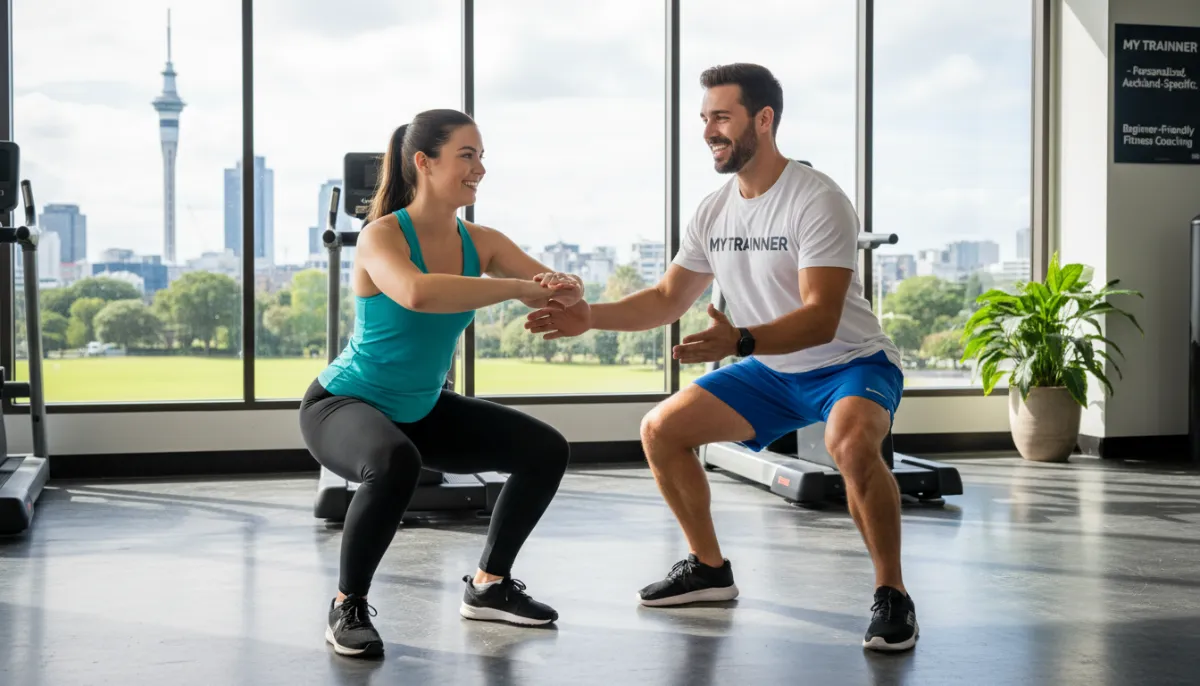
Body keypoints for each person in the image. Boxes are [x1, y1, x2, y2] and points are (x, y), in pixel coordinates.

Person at [525, 64, 918, 652]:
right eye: (705, 118)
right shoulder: (713, 210)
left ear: (764, 119)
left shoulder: (818, 200)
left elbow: (822, 316)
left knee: (851, 443)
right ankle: (708, 569)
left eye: (722, 117)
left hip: (850, 362)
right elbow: (666, 297)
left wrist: (739, 342)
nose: (709, 130)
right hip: (771, 368)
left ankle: (893, 595)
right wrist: (590, 317)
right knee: (661, 429)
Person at [300, 109, 583, 659]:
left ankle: (489, 586)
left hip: (420, 407)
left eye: (482, 156)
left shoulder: (483, 240)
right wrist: (515, 289)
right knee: (394, 463)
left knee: (545, 450)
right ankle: (346, 606)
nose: (480, 168)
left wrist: (566, 291)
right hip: (342, 403)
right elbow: (418, 293)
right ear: (424, 164)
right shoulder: (381, 237)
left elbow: (550, 290)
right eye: (467, 155)